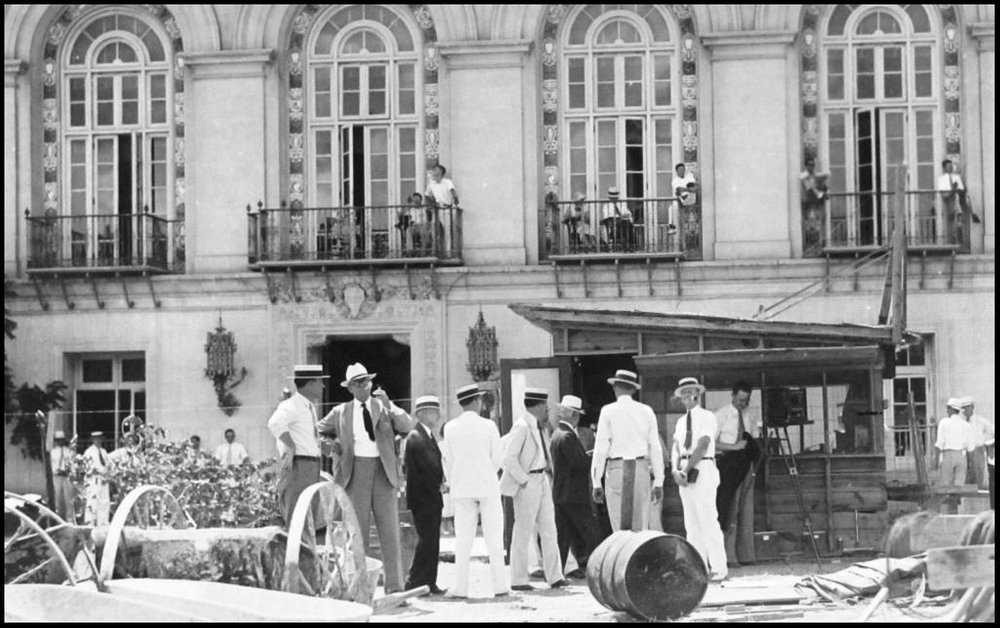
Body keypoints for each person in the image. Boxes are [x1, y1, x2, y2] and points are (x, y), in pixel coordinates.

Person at [317, 363, 415, 594]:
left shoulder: (383, 406)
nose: (364, 386)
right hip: (354, 471)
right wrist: (331, 448)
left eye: (366, 381)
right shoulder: (341, 412)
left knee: (389, 530)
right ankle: (361, 588)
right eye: (358, 383)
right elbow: (318, 430)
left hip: (383, 471)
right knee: (358, 533)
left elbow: (407, 426)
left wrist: (391, 406)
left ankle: (395, 588)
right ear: (350, 388)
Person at [441, 384, 508, 599]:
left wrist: (456, 479)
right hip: (487, 485)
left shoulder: (450, 427)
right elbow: (498, 459)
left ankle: (461, 588)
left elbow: (448, 461)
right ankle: (499, 586)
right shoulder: (489, 426)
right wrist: (486, 471)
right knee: (494, 538)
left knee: (463, 540)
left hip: (462, 487)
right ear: (477, 401)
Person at [501, 388, 570, 591]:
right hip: (529, 480)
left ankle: (555, 576)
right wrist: (523, 481)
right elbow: (509, 458)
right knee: (523, 531)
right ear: (538, 406)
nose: (548, 410)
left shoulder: (539, 427)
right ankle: (518, 579)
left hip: (542, 479)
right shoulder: (522, 427)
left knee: (550, 529)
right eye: (545, 406)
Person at [591, 369, 664, 532]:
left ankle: (623, 557)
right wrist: (658, 480)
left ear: (615, 387)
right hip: (640, 468)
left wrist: (596, 481)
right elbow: (655, 447)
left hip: (616, 468)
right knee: (640, 527)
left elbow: (601, 448)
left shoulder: (608, 411)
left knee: (619, 526)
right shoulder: (646, 411)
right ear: (633, 389)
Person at [672, 377, 727, 582]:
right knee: (691, 523)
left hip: (702, 466)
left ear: (697, 394)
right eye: (683, 393)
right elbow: (676, 446)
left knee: (707, 518)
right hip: (684, 471)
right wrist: (677, 470)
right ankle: (698, 567)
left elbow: (703, 444)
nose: (686, 397)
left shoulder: (707, 417)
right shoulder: (679, 422)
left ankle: (719, 568)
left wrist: (686, 469)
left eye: (690, 392)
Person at [550, 395, 604, 579]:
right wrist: (595, 456)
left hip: (562, 494)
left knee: (562, 538)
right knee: (592, 533)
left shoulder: (558, 434)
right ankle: (602, 568)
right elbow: (579, 463)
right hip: (574, 495)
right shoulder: (567, 436)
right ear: (574, 415)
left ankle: (555, 574)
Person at [267, 364, 327, 529]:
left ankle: (304, 553)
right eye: (320, 381)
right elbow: (274, 423)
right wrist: (291, 446)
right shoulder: (291, 405)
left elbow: (306, 436)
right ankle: (294, 554)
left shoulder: (308, 407)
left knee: (309, 519)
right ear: (310, 384)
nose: (323, 386)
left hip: (311, 465)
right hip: (300, 466)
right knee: (297, 518)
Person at [403, 395, 447, 596]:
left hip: (430, 496)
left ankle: (428, 581)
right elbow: (428, 467)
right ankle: (415, 581)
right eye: (433, 410)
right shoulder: (416, 436)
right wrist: (439, 483)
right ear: (422, 413)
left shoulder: (426, 435)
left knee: (432, 540)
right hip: (424, 497)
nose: (437, 414)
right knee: (427, 540)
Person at [714, 381, 761, 567]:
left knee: (746, 510)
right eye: (741, 400)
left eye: (746, 400)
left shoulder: (750, 413)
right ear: (732, 395)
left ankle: (747, 555)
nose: (743, 404)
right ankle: (728, 557)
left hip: (746, 464)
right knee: (729, 509)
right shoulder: (721, 415)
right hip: (728, 465)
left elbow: (754, 438)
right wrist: (733, 447)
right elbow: (711, 443)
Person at [937, 159, 981, 245]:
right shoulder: (941, 179)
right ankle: (953, 242)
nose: (950, 168)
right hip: (949, 200)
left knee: (967, 198)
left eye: (951, 166)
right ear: (944, 168)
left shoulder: (956, 177)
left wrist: (958, 189)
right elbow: (943, 194)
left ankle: (972, 213)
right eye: (948, 166)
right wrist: (952, 190)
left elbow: (961, 189)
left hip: (959, 198)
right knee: (953, 221)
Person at [933, 398, 973, 486]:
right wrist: (969, 462)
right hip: (961, 455)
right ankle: (957, 500)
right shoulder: (966, 425)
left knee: (945, 485)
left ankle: (948, 499)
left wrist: (935, 461)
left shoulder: (944, 422)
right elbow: (970, 446)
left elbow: (939, 443)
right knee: (959, 485)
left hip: (948, 455)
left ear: (950, 408)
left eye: (947, 408)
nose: (946, 410)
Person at [425, 165, 459, 254]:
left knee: (447, 230)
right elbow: (427, 195)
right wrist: (431, 203)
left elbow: (453, 192)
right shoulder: (431, 184)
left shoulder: (447, 182)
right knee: (434, 229)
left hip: (446, 208)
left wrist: (455, 200)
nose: (433, 171)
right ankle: (436, 250)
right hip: (436, 209)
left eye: (435, 169)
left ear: (441, 172)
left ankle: (447, 252)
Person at [960, 397, 992, 489]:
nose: (965, 410)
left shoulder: (981, 421)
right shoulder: (961, 422)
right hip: (964, 452)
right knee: (965, 478)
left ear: (973, 407)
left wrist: (985, 443)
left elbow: (991, 432)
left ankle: (980, 494)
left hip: (977, 451)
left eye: (967, 407)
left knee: (979, 476)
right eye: (963, 408)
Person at [82, 431, 111, 526]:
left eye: (100, 439)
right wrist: (94, 471)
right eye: (96, 439)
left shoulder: (104, 451)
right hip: (94, 479)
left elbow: (107, 464)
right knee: (93, 502)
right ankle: (90, 523)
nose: (98, 441)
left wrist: (107, 473)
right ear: (92, 440)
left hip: (104, 479)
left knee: (104, 501)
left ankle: (103, 523)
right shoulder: (89, 452)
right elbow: (85, 466)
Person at [50, 430, 77, 522]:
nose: (60, 441)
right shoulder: (53, 452)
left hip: (66, 477)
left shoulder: (69, 452)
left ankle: (69, 519)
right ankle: (57, 519)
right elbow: (51, 465)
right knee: (57, 498)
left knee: (68, 499)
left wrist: (68, 471)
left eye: (61, 440)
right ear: (55, 441)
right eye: (58, 440)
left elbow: (72, 464)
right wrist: (56, 471)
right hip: (57, 476)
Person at [599, 187, 633, 252]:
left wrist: (622, 216)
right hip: (613, 224)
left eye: (615, 197)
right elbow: (608, 217)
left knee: (628, 224)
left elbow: (629, 213)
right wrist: (621, 216)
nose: (614, 198)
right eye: (613, 197)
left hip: (623, 223)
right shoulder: (606, 206)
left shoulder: (622, 205)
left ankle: (630, 246)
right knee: (626, 224)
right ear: (609, 198)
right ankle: (627, 246)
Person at [671, 163, 697, 236]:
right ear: (677, 171)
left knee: (691, 221)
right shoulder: (675, 181)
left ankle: (691, 232)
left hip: (692, 199)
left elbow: (695, 189)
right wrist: (688, 189)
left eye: (683, 169)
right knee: (672, 208)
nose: (682, 171)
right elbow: (678, 191)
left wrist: (684, 189)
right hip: (683, 200)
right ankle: (673, 228)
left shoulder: (689, 178)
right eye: (680, 170)